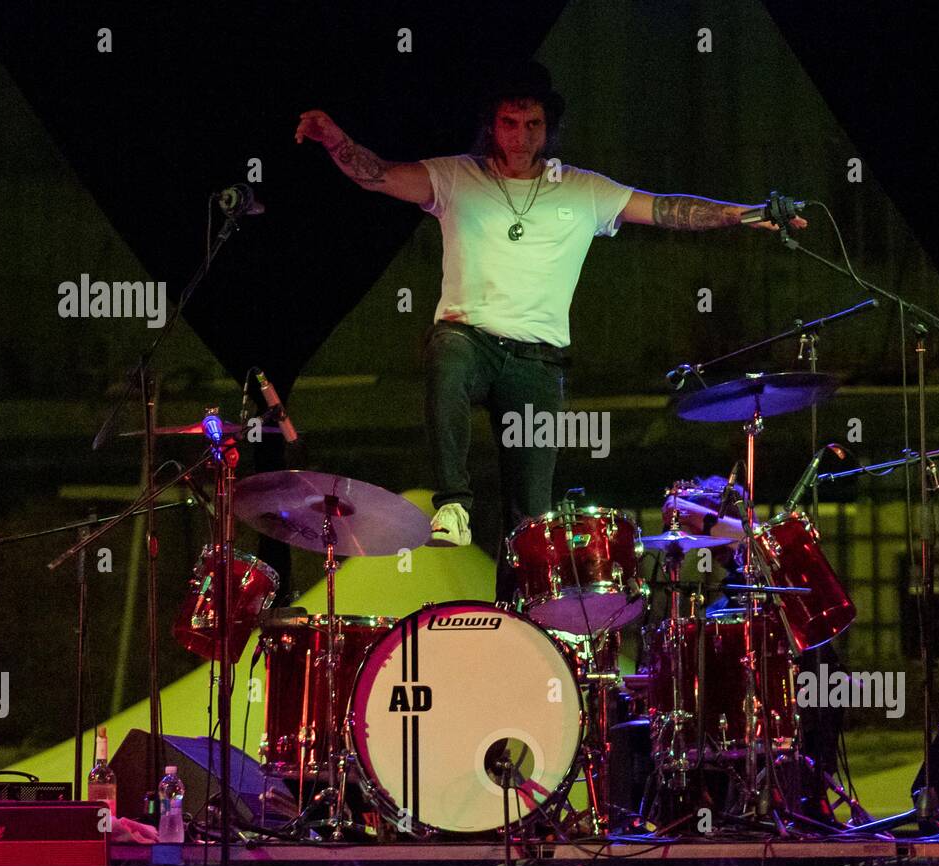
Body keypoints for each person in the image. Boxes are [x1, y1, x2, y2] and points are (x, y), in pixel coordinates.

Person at [296, 63, 805, 599]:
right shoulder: (454, 176)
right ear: (492, 125)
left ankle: (514, 614)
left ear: (549, 128)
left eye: (532, 125)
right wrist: (335, 139)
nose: (520, 137)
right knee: (445, 352)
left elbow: (665, 210)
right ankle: (453, 504)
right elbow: (377, 173)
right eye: (509, 123)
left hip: (537, 363)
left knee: (531, 510)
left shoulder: (581, 189)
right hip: (469, 339)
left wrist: (746, 215)